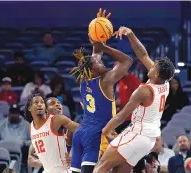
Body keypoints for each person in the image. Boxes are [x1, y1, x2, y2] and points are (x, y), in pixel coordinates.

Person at [94, 26, 175, 173]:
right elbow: (142, 54)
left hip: (137, 134)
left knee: (101, 166)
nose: (149, 65)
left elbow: (121, 116)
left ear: (156, 73)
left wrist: (105, 130)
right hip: (148, 140)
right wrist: (130, 34)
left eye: (153, 66)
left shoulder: (144, 91)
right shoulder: (165, 83)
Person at [70, 9, 133, 173]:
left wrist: (98, 33)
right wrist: (104, 45)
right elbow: (127, 61)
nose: (101, 63)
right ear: (93, 70)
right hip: (96, 135)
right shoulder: (105, 81)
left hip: (81, 132)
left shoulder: (85, 78)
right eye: (97, 64)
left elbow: (95, 53)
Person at [26, 93, 79, 173]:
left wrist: (74, 154)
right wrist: (46, 162)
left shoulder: (57, 121)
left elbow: (83, 131)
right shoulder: (31, 127)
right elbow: (30, 160)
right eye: (36, 102)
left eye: (42, 102)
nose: (40, 104)